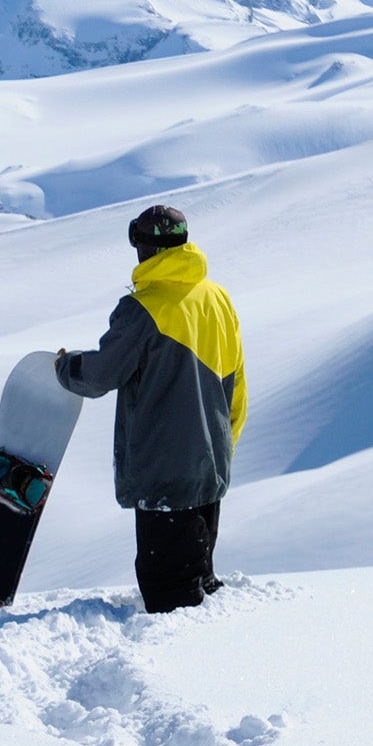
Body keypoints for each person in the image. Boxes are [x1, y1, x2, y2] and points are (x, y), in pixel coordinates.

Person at [54, 205, 246, 612]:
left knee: (170, 599)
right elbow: (236, 381)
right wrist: (221, 447)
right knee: (201, 587)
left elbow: (100, 375)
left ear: (143, 247)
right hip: (209, 469)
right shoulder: (217, 298)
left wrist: (64, 367)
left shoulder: (142, 309)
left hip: (164, 475)